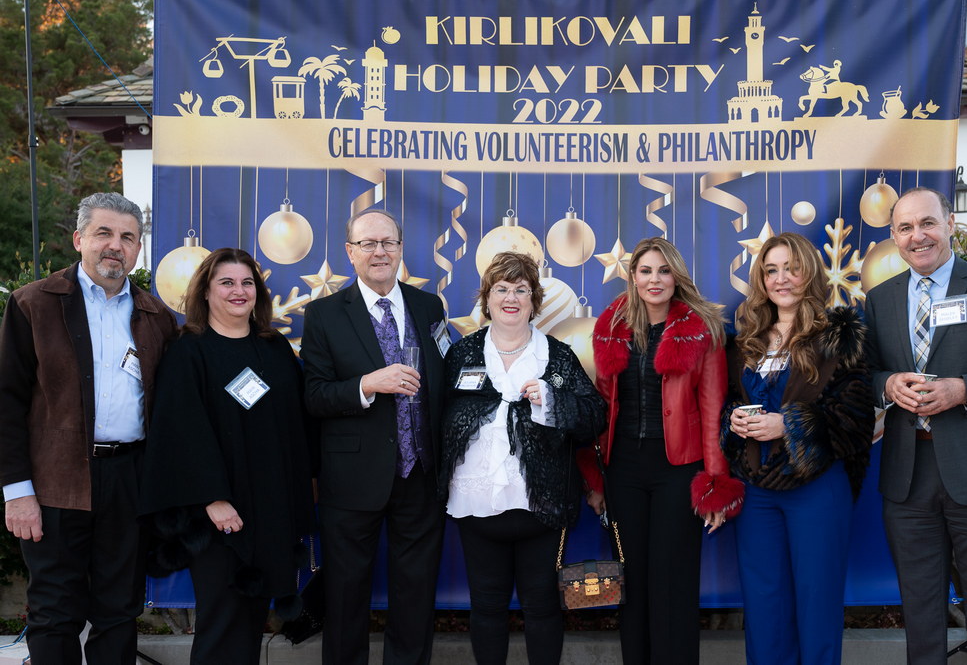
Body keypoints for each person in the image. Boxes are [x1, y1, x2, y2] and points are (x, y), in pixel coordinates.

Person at [0, 192, 177, 663]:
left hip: (130, 481)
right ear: (79, 239)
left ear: (138, 249)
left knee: (119, 611)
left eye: (128, 237)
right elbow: (7, 402)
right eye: (104, 233)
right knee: (54, 612)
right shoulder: (33, 304)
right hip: (55, 481)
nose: (115, 245)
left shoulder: (156, 317)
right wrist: (16, 492)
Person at [865, 187, 967, 664]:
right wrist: (887, 383)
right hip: (908, 476)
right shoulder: (880, 299)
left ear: (950, 224)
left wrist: (964, 390)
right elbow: (865, 374)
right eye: (906, 228)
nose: (918, 236)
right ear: (894, 237)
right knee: (919, 609)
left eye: (927, 223)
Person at [139, 248, 314, 663]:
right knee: (221, 624)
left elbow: (294, 428)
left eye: (247, 282)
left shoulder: (275, 349)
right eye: (227, 283)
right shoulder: (188, 351)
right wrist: (213, 498)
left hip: (269, 512)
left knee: (251, 624)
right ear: (205, 291)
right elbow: (180, 432)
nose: (239, 291)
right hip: (218, 516)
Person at [579, 237, 744, 664]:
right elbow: (602, 404)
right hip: (623, 471)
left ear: (676, 277)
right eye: (646, 271)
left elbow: (713, 410)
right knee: (629, 581)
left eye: (664, 270)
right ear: (633, 277)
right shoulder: (611, 325)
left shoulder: (702, 329)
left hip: (679, 470)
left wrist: (715, 484)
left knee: (674, 583)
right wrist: (595, 480)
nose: (655, 279)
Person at [440, 251, 606, 665]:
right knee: (486, 607)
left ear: (534, 300)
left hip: (541, 508)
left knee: (543, 606)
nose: (511, 298)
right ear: (487, 298)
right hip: (477, 506)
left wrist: (552, 401)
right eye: (501, 289)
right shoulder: (461, 354)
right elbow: (439, 419)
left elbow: (594, 417)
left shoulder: (558, 356)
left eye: (521, 289)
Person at [302, 209, 449, 665]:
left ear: (401, 249)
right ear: (350, 252)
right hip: (352, 477)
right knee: (345, 597)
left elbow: (443, 376)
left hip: (420, 474)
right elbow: (314, 396)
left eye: (388, 242)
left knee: (416, 596)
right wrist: (367, 384)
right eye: (368, 243)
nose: (379, 251)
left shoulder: (429, 307)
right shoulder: (324, 314)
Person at [721, 232, 874, 664]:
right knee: (764, 608)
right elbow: (726, 401)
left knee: (817, 604)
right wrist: (732, 420)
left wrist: (787, 425)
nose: (781, 279)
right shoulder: (745, 340)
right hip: (756, 491)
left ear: (809, 272)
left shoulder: (838, 337)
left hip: (816, 488)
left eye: (791, 268)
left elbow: (856, 420)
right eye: (771, 270)